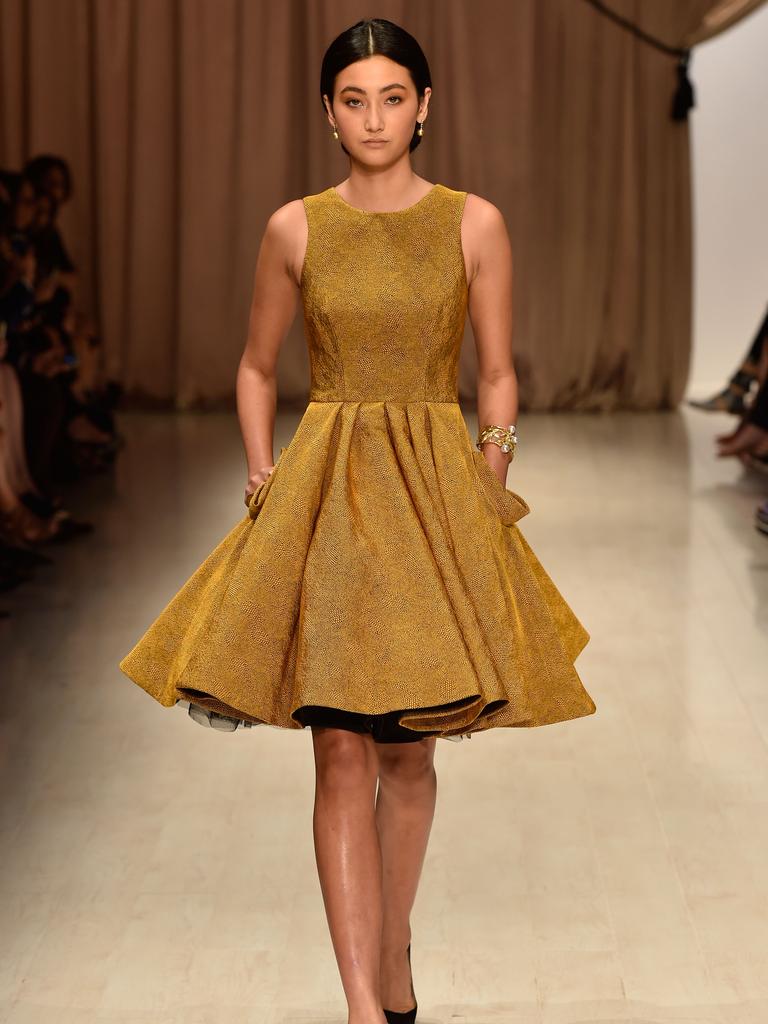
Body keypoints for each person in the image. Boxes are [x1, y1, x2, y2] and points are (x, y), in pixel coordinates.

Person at [119, 18, 596, 1024]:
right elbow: (255, 366)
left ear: (425, 106)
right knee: (338, 740)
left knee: (411, 749)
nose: (374, 116)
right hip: (330, 485)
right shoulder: (296, 226)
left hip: (434, 486)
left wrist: (493, 463)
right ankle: (362, 1009)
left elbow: (500, 371)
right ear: (328, 113)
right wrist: (261, 470)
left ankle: (393, 945)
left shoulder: (475, 223)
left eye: (392, 96)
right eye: (352, 98)